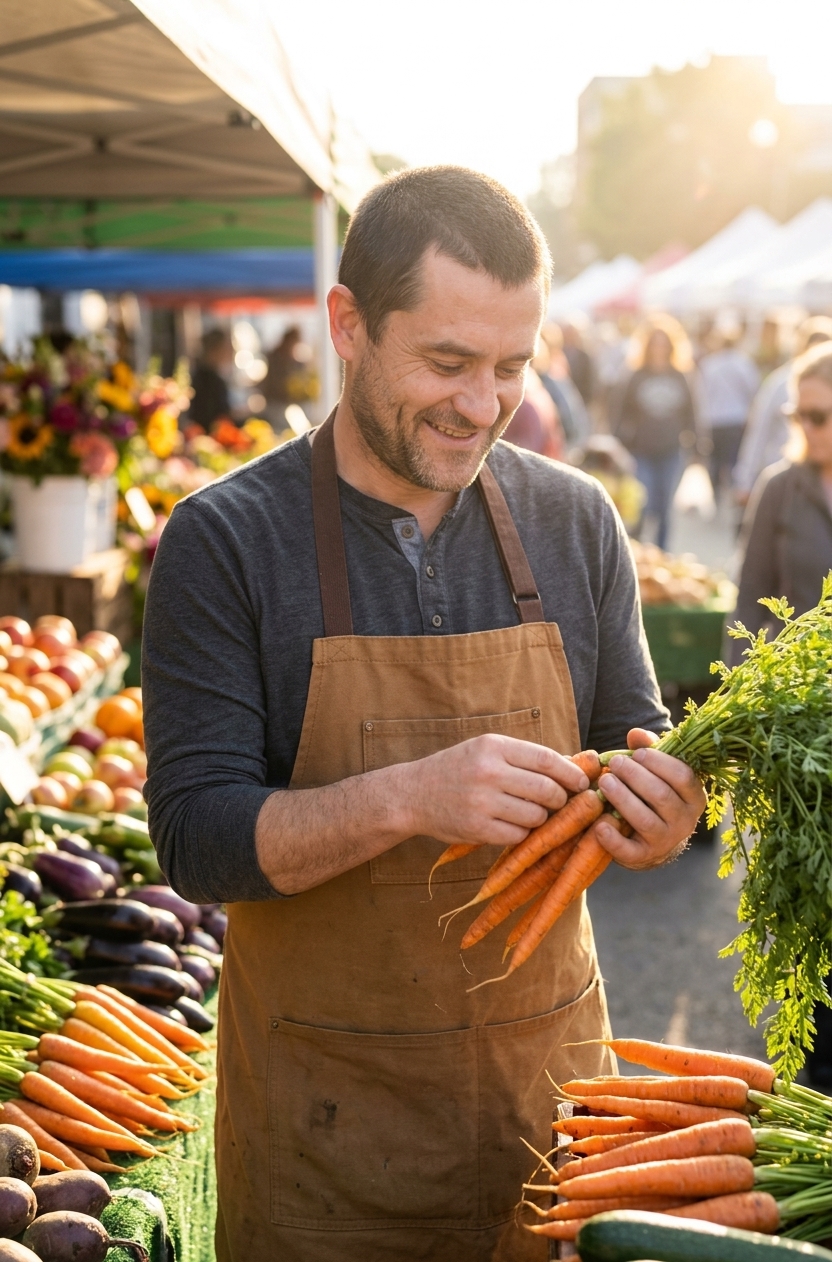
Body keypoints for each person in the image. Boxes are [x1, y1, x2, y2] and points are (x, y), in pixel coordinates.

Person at [142, 167, 705, 1262]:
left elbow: (636, 736)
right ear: (347, 324)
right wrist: (407, 794)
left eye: (510, 366)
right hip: (325, 1142)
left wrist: (662, 816)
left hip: (554, 1121)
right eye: (445, 361)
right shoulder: (223, 541)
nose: (482, 403)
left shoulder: (576, 520)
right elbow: (196, 836)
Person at [730, 341, 832, 1090]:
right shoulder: (780, 489)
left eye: (822, 415)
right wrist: (744, 710)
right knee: (806, 899)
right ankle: (815, 1072)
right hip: (800, 731)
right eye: (802, 415)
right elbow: (747, 605)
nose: (809, 427)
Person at [614, 315, 697, 551]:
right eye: (654, 344)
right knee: (642, 504)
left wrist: (699, 446)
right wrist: (619, 441)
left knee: (665, 507)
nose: (659, 349)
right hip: (641, 450)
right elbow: (620, 412)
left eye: (663, 344)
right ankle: (636, 551)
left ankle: (662, 553)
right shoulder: (636, 376)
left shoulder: (680, 376)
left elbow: (692, 412)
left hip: (671, 450)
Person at [733, 317, 832, 505]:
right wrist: (745, 479)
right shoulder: (780, 383)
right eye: (798, 416)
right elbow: (758, 431)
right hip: (788, 475)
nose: (807, 428)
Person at [697, 330, 760, 499]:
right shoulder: (743, 363)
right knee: (734, 459)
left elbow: (701, 393)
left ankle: (716, 493)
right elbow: (753, 389)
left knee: (715, 460)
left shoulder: (710, 364)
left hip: (714, 419)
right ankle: (732, 491)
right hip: (736, 418)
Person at [188, 328, 233, 429]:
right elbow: (218, 415)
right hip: (209, 435)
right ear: (215, 350)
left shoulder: (199, 374)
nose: (230, 352)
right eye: (226, 348)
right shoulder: (209, 380)